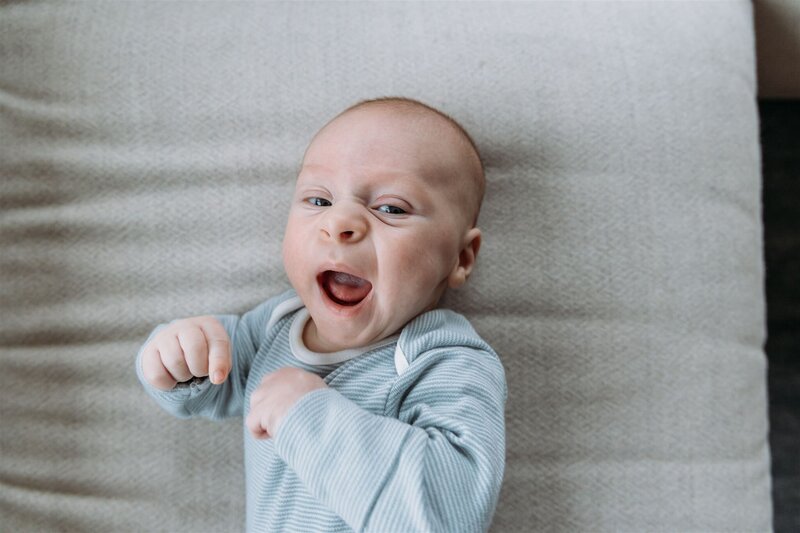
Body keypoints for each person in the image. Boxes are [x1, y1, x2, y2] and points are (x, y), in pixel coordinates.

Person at [136, 97, 507, 533]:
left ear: (461, 258)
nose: (340, 223)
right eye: (318, 199)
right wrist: (176, 356)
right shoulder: (274, 328)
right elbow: (207, 384)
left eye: (391, 208)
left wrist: (307, 416)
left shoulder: (446, 361)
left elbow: (450, 512)